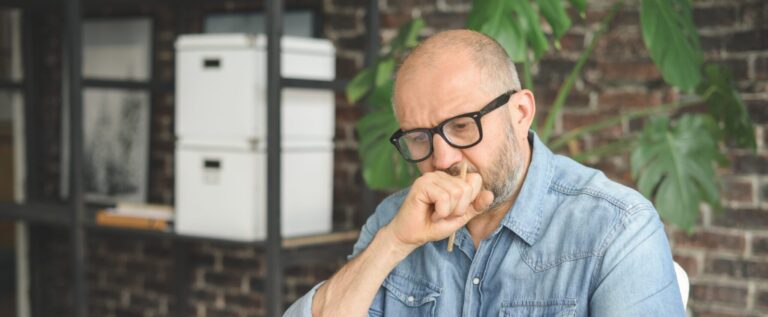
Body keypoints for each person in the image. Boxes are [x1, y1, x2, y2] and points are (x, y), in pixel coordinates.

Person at [285, 29, 685, 316]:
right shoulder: (394, 222)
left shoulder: (616, 229)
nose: (442, 159)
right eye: (419, 137)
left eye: (462, 126)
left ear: (521, 113)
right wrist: (392, 243)